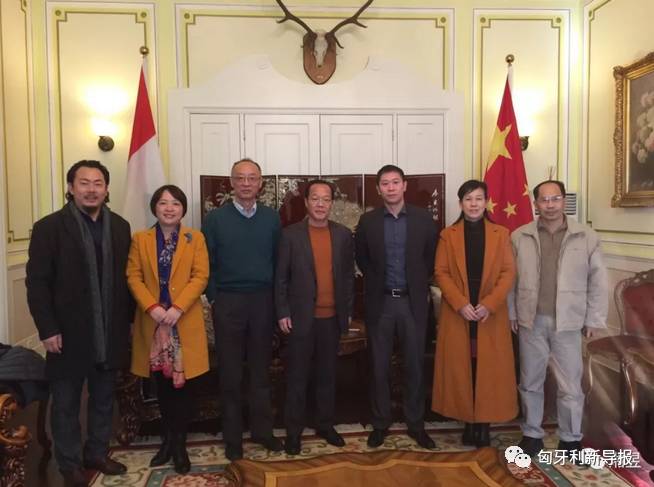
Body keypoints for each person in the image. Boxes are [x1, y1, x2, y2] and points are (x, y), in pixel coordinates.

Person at [25, 160, 131, 487]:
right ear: (71, 188)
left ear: (107, 189)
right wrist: (47, 329)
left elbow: (127, 280)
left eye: (98, 183)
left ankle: (96, 453)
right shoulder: (49, 228)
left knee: (104, 397)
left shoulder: (121, 227)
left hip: (109, 330)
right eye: (84, 183)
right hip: (66, 332)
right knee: (66, 403)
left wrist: (128, 324)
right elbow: (37, 283)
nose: (91, 189)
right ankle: (68, 463)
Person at [510, 180, 608, 457]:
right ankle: (532, 434)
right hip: (531, 320)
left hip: (569, 322)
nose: (550, 205)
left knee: (570, 385)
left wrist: (594, 318)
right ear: (535, 204)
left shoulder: (586, 236)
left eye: (555, 199)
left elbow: (598, 280)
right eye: (544, 200)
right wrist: (512, 313)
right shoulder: (520, 236)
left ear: (564, 201)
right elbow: (510, 279)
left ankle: (570, 439)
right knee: (530, 381)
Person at [201, 158, 283, 461]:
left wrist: (276, 301)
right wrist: (214, 298)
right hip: (229, 302)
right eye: (240, 178)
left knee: (261, 372)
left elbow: (278, 261)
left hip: (262, 301)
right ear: (231, 182)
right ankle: (233, 438)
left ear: (260, 183)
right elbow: (206, 262)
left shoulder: (272, 218)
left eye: (252, 178)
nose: (246, 183)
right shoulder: (215, 219)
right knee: (231, 374)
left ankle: (263, 431)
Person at [354, 164, 438, 449]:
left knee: (414, 365)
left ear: (404, 186)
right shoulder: (368, 222)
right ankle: (380, 423)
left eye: (395, 182)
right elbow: (362, 258)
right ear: (378, 189)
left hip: (413, 302)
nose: (390, 188)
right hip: (381, 303)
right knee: (379, 367)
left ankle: (416, 424)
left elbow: (430, 258)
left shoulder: (423, 219)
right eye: (385, 183)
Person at [126, 185, 209, 473]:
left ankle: (180, 444)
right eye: (163, 203)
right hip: (154, 323)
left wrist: (177, 308)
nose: (169, 208)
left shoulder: (195, 238)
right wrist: (153, 307)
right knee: (162, 386)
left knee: (183, 388)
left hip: (182, 321)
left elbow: (201, 276)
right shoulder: (141, 239)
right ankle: (167, 442)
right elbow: (133, 276)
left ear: (183, 208)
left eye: (175, 203)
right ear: (155, 208)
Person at [431, 180, 517, 447]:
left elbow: (508, 272)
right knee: (464, 364)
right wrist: (460, 303)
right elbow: (441, 272)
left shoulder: (501, 233)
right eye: (468, 199)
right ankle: (468, 421)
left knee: (488, 367)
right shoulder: (448, 235)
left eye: (479, 198)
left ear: (486, 202)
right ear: (460, 203)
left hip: (490, 311)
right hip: (460, 312)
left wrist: (489, 304)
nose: (474, 204)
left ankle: (484, 424)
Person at [275, 180, 355, 455]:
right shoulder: (290, 235)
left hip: (331, 319)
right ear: (307, 202)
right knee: (297, 377)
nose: (321, 204)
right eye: (316, 199)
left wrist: (347, 312)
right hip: (300, 318)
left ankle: (325, 425)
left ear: (332, 203)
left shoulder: (343, 234)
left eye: (326, 199)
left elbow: (347, 277)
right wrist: (282, 311)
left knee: (327, 376)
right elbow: (281, 278)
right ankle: (294, 432)